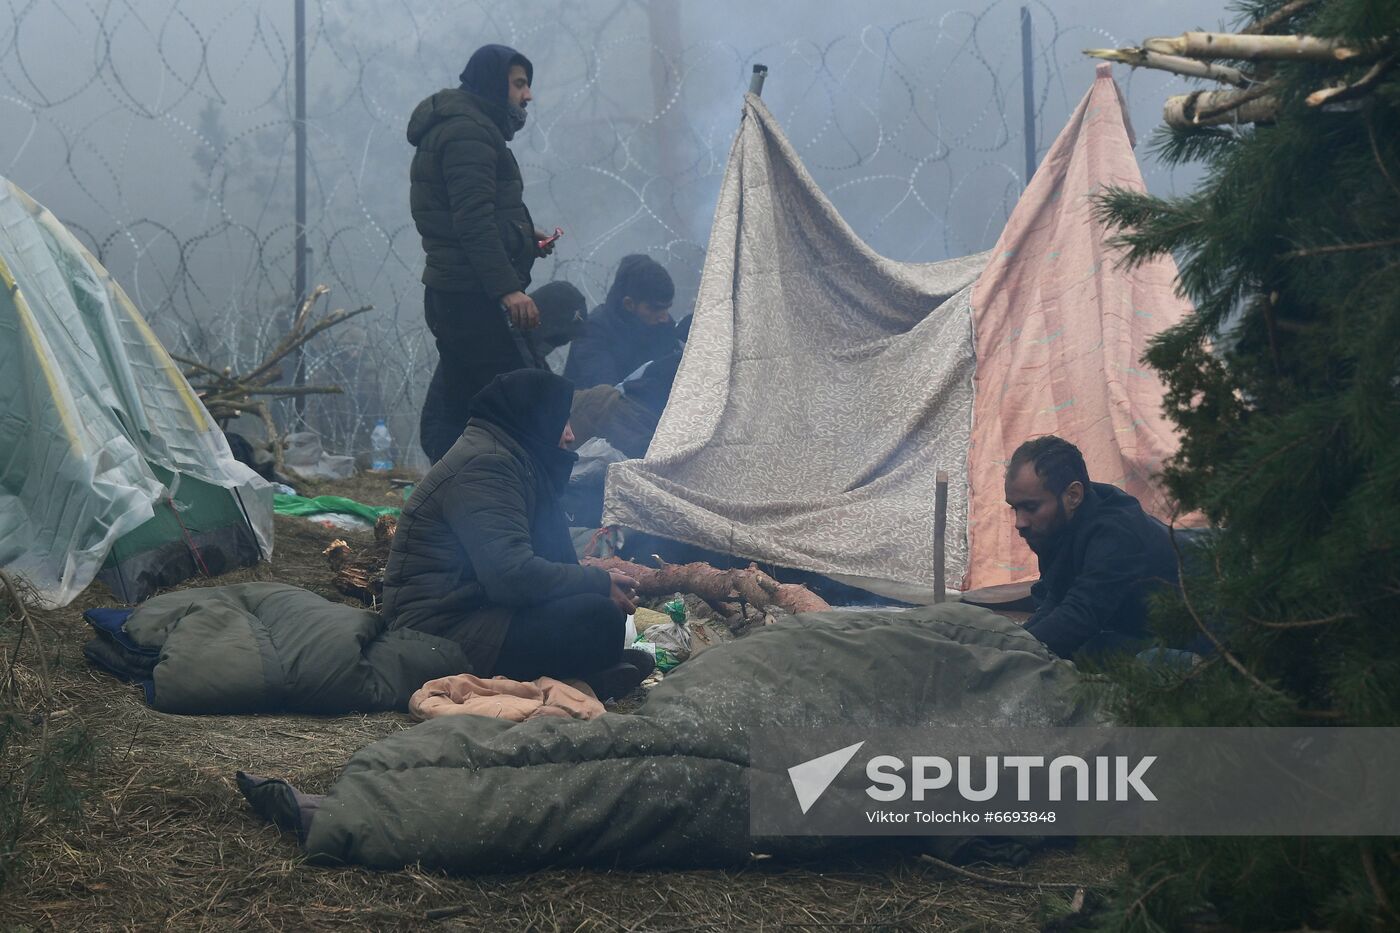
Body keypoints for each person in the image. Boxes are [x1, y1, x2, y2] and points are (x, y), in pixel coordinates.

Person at [382, 369, 654, 699]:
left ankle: (589, 669)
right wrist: (596, 584)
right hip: (439, 628)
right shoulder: (485, 466)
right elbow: (511, 576)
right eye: (561, 422)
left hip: (478, 610)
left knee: (596, 609)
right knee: (596, 619)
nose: (569, 436)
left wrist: (597, 580)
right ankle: (584, 673)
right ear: (535, 419)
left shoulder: (512, 458)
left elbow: (542, 560)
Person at [407, 44, 558, 463]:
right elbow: (471, 221)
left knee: (458, 411)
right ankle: (510, 508)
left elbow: (478, 213)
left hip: (461, 292)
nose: (527, 95)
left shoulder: (469, 127)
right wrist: (508, 290)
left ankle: (447, 504)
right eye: (519, 84)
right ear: (494, 84)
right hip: (472, 298)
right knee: (514, 408)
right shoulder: (468, 132)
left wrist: (525, 238)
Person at [1003, 435, 1179, 661]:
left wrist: (1008, 656)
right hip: (1127, 625)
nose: (1020, 522)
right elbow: (1057, 598)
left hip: (1197, 638)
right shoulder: (1062, 522)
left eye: (1030, 507)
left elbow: (1080, 616)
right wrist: (1008, 642)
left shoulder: (1117, 532)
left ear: (1073, 495)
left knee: (1088, 652)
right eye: (1014, 508)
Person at [419, 281, 587, 463]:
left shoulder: (530, 361)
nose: (551, 346)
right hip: (458, 450)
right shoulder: (493, 351)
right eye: (554, 338)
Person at [564, 255, 679, 389]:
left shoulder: (662, 325)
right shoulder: (593, 332)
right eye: (654, 308)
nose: (664, 317)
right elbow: (606, 393)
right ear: (629, 304)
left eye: (666, 308)